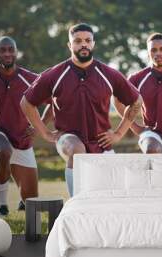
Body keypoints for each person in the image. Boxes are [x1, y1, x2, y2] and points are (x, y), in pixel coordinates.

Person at [21, 23, 142, 197]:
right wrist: (46, 133)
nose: (83, 44)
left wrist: (118, 133)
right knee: (77, 150)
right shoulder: (54, 74)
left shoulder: (109, 74)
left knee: (112, 198)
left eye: (87, 40)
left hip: (101, 143)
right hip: (68, 139)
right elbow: (26, 103)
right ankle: (76, 203)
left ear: (93, 44)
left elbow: (137, 101)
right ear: (70, 45)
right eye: (77, 41)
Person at [0, 36, 39, 216]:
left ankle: (24, 202)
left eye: (10, 49)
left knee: (33, 203)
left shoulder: (31, 79)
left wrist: (39, 125)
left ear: (16, 52)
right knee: (4, 150)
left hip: (21, 138)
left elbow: (53, 100)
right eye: (2, 50)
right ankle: (2, 206)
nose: (7, 53)